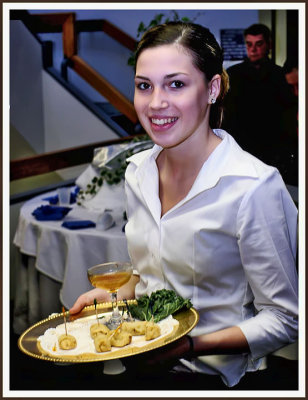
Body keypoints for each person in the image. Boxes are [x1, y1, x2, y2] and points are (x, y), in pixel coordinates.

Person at [70, 22, 298, 389]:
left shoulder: (253, 187)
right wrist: (113, 295)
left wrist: (189, 346)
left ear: (211, 89)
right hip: (143, 365)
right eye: (145, 86)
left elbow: (285, 318)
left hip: (219, 381)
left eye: (176, 84)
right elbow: (152, 277)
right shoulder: (137, 174)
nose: (156, 102)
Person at [222, 23, 298, 186]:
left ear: (268, 45)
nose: (253, 49)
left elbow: (289, 114)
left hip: (274, 150)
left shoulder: (281, 76)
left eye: (259, 44)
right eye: (249, 44)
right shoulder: (233, 76)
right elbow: (226, 114)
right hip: (241, 148)